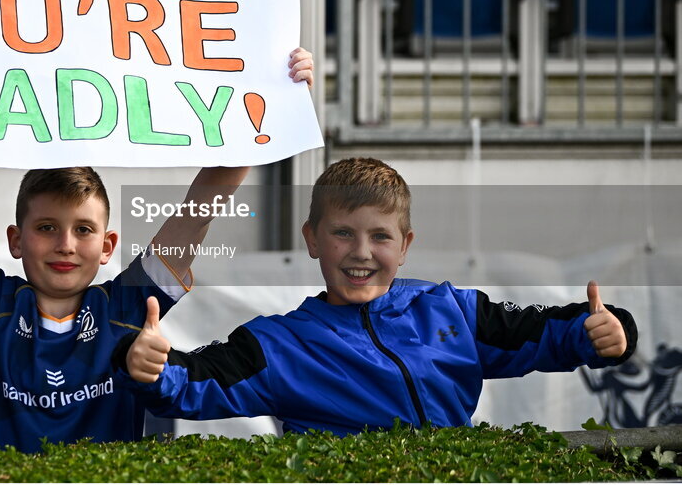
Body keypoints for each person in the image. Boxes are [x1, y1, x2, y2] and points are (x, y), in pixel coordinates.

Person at [0, 36, 313, 451]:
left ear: (108, 245)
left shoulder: (132, 305)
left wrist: (273, 97)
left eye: (83, 230)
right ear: (16, 240)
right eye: (46, 228)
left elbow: (203, 206)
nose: (65, 244)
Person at [114, 157, 639, 436]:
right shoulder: (279, 344)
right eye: (342, 233)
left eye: (380, 237)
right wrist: (150, 367)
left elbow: (544, 335)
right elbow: (191, 384)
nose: (360, 253)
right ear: (312, 239)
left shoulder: (450, 309)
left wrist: (604, 331)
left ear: (405, 245)